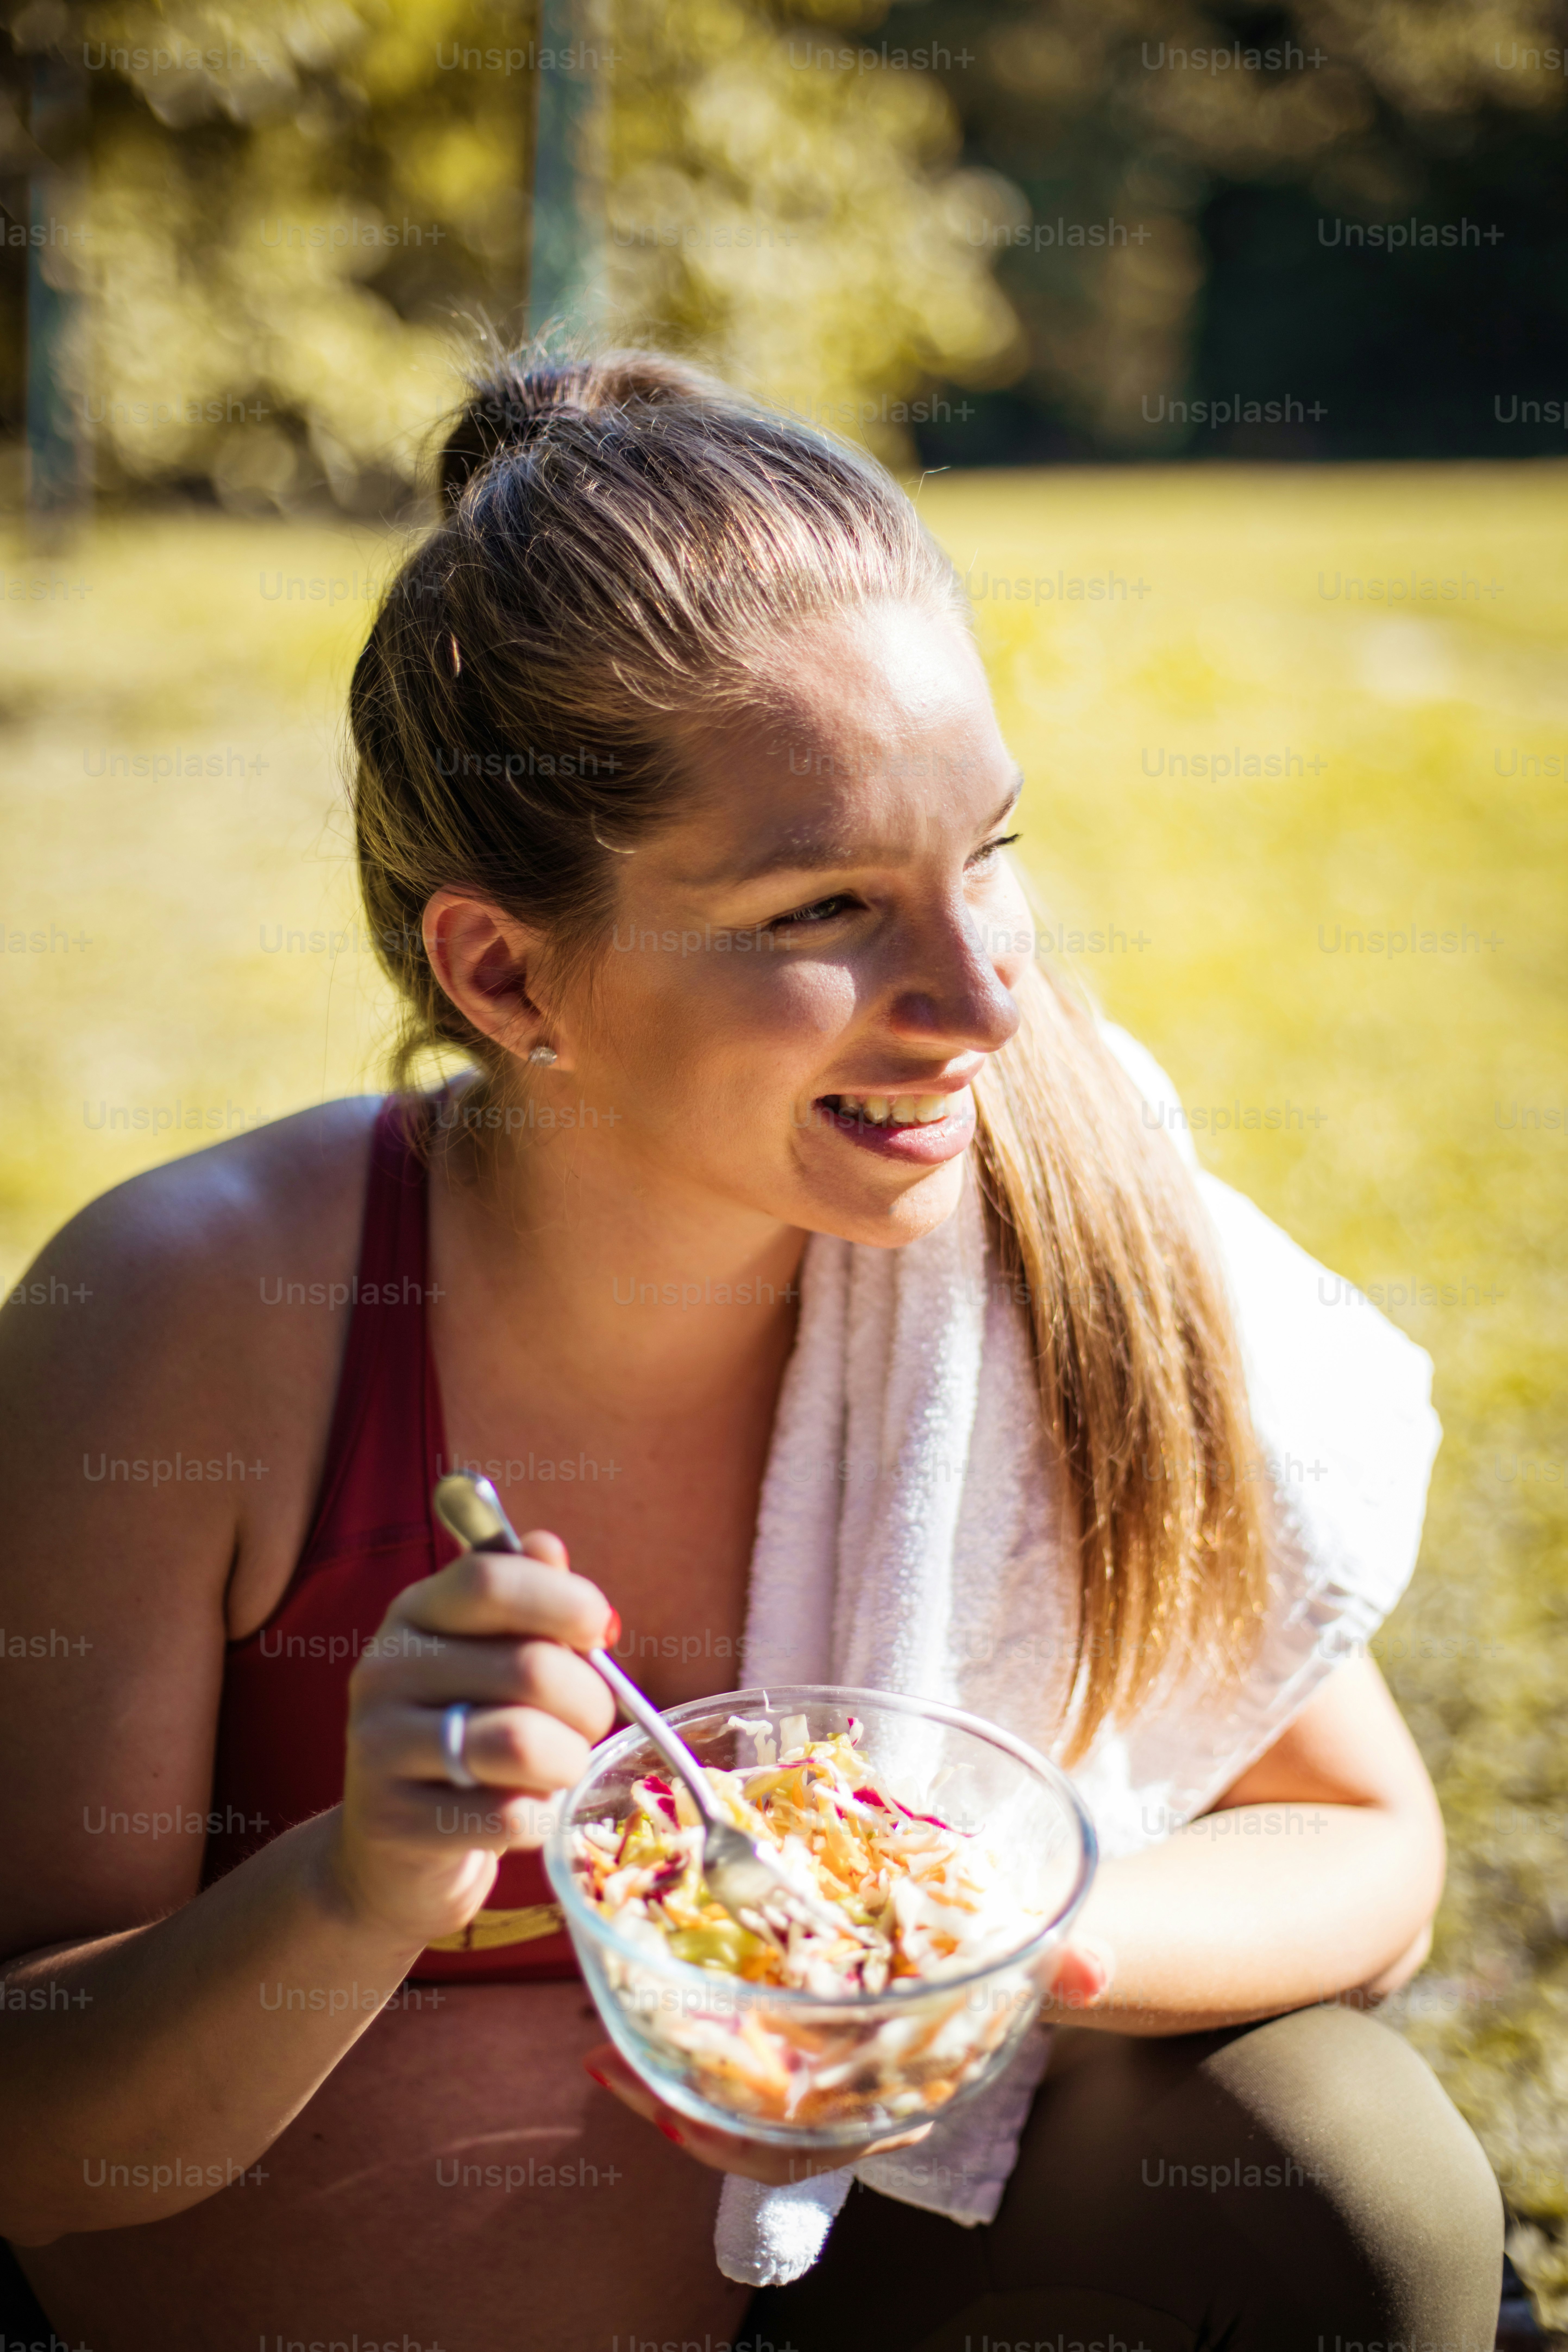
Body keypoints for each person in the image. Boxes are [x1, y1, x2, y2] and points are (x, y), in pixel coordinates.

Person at [0, 351, 1502, 2352]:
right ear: (507, 970)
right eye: (827, 905)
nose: (980, 997)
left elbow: (1364, 1849)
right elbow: (24, 2122)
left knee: (1348, 2169)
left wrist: (984, 1942)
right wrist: (363, 1882)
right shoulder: (199, 1321)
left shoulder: (1042, 1234)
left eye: (988, 855)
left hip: (852, 2282)